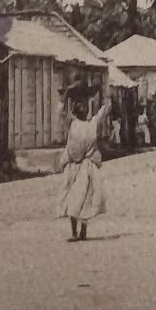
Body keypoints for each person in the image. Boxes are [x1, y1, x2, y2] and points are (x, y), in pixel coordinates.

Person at [58, 85, 107, 241]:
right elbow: (60, 112)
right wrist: (64, 96)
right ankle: (74, 231)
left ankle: (83, 230)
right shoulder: (71, 123)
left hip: (87, 166)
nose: (83, 109)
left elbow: (103, 111)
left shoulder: (92, 123)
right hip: (73, 166)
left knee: (85, 198)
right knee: (73, 197)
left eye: (85, 107)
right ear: (74, 109)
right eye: (80, 107)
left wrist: (105, 95)